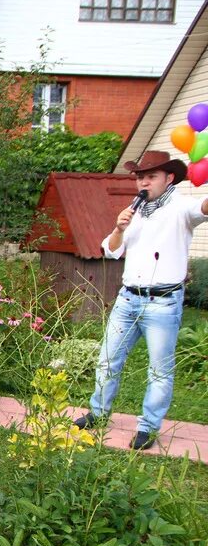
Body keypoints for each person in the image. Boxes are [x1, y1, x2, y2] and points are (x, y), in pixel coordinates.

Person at [75, 150, 208, 450]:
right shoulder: (133, 211)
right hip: (127, 300)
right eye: (140, 177)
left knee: (159, 369)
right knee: (108, 361)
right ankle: (98, 413)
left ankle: (147, 427)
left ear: (169, 178)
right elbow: (110, 250)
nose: (143, 183)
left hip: (163, 302)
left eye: (151, 177)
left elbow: (203, 207)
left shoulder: (181, 207)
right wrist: (120, 229)